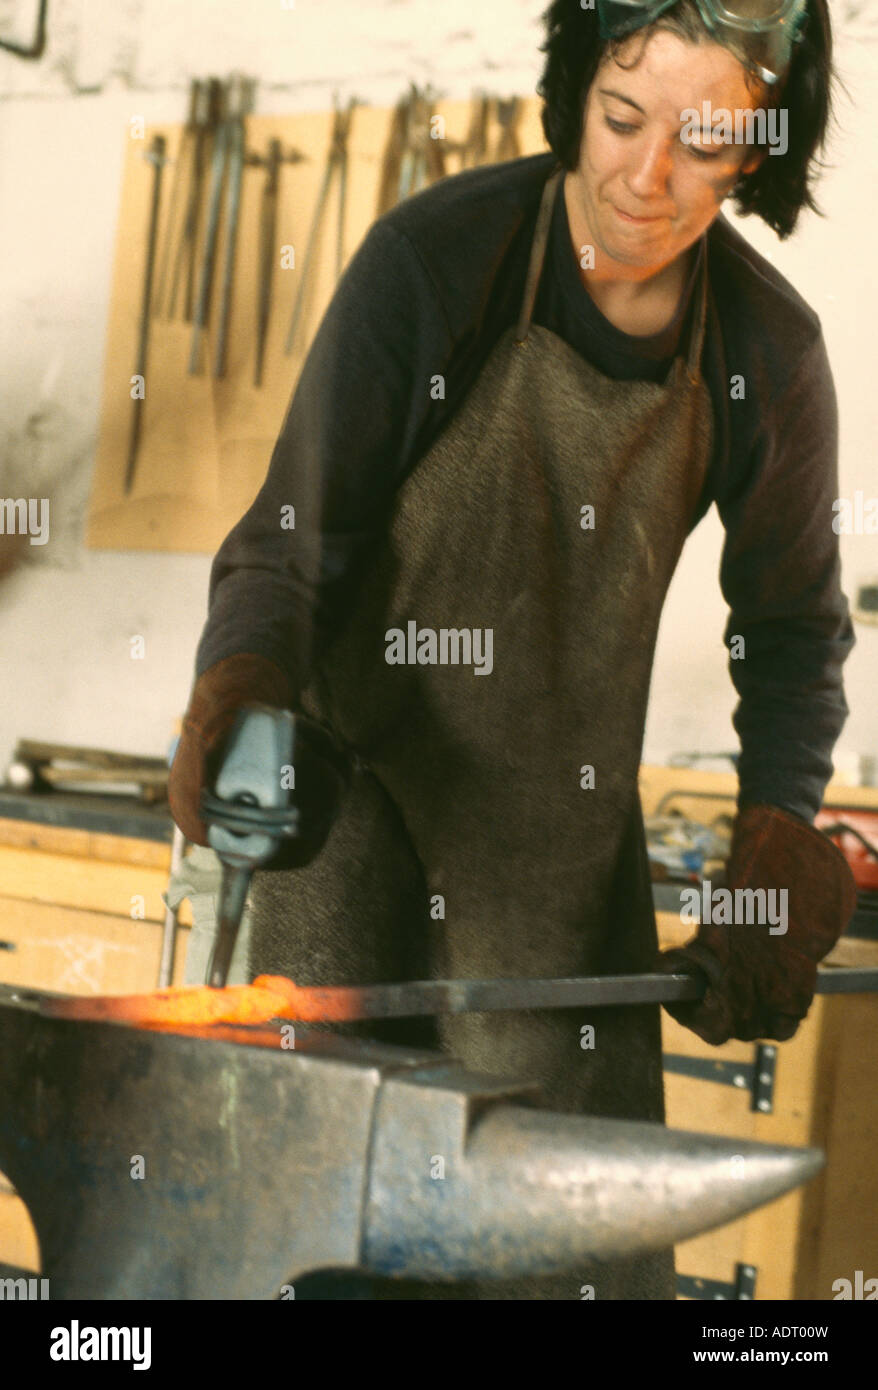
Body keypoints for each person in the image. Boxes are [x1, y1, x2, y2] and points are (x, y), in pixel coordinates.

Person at [169, 0, 858, 1299]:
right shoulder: (442, 258)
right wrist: (242, 687)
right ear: (575, 91)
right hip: (347, 803)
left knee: (561, 1263)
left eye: (702, 139)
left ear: (754, 150)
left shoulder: (765, 352)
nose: (646, 177)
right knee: (309, 1220)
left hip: (552, 838)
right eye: (620, 117)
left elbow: (789, 634)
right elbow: (286, 543)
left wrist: (778, 830)